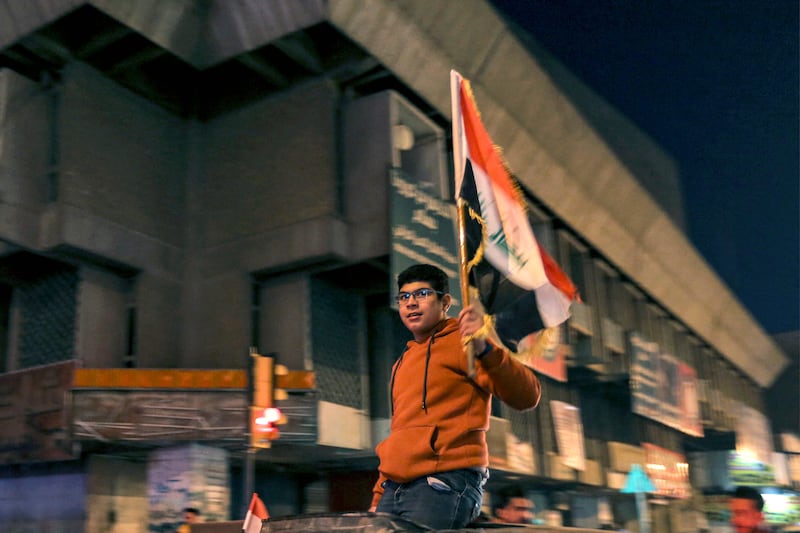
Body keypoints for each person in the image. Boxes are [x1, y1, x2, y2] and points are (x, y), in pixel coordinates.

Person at [369, 264, 542, 530]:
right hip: (395, 489)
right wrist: (380, 494)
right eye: (404, 297)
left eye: (422, 294)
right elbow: (399, 433)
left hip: (443, 483)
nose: (411, 303)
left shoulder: (467, 343)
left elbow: (528, 396)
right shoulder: (402, 362)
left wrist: (484, 347)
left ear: (445, 302)